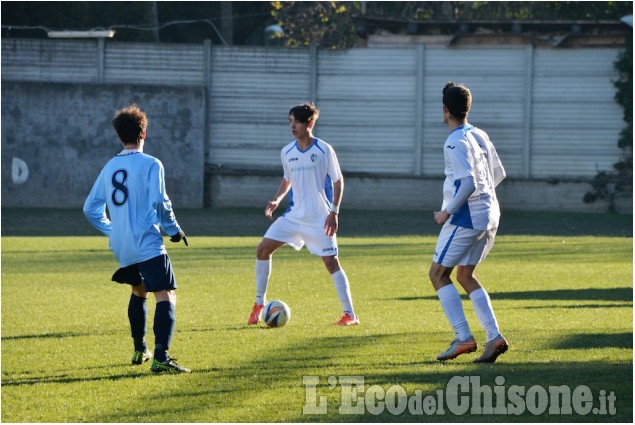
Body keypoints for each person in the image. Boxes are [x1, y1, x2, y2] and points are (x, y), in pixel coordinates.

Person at [83, 104, 191, 373]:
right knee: (165, 294)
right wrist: (174, 230)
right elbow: (160, 201)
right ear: (143, 133)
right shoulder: (151, 163)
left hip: (122, 245)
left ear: (120, 136)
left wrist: (112, 229)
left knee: (138, 289)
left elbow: (90, 208)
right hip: (146, 240)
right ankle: (161, 358)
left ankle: (140, 349)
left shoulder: (110, 166)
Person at [247, 103, 359, 326]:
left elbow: (338, 181)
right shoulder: (287, 152)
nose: (292, 126)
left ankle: (350, 315)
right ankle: (260, 303)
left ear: (310, 123)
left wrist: (334, 212)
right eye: (290, 121)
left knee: (331, 262)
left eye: (296, 121)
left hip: (319, 217)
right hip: (294, 217)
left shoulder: (324, 150)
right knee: (263, 249)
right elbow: (287, 179)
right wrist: (276, 200)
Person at [429, 83, 508, 363]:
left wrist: (447, 211)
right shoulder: (480, 134)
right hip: (490, 215)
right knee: (465, 276)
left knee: (438, 275)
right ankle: (494, 336)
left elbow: (468, 183)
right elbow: (498, 174)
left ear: (445, 109)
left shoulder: (454, 141)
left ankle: (463, 338)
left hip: (466, 217)